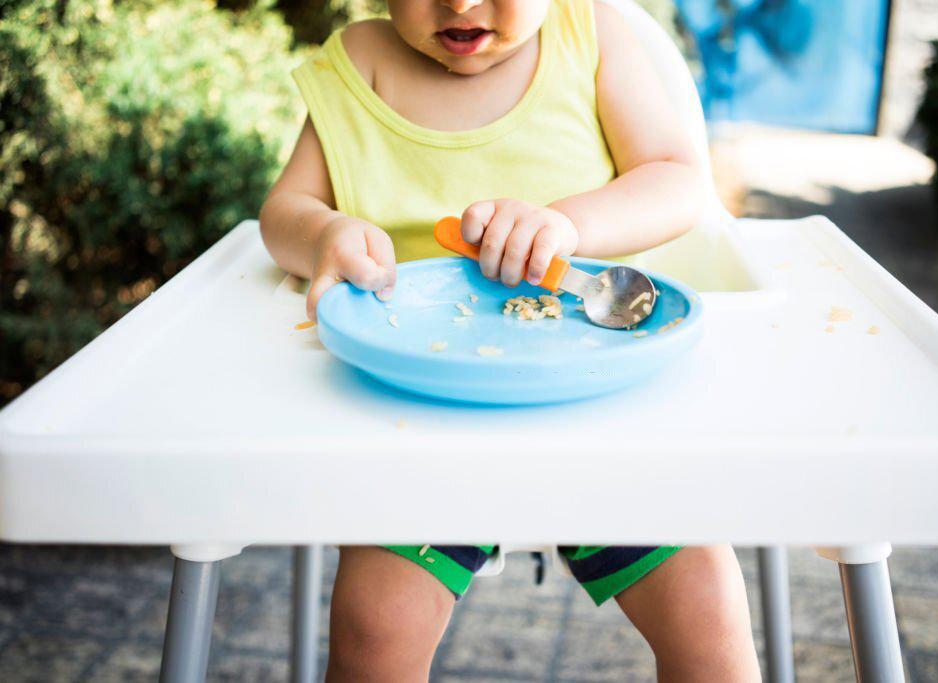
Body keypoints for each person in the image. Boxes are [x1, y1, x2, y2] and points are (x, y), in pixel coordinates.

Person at [259, 0, 760, 679]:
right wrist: (323, 234)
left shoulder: (590, 32)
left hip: (600, 407)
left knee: (709, 613)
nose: (460, 3)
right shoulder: (359, 65)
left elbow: (677, 179)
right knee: (378, 624)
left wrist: (568, 225)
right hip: (418, 414)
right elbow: (283, 212)